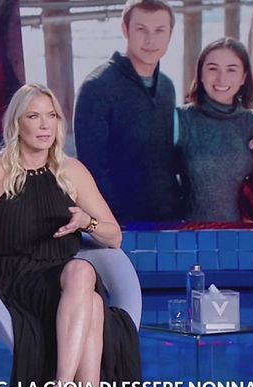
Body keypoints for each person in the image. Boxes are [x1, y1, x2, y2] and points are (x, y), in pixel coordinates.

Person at [0, 84, 140, 387]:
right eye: (34, 116)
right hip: (19, 281)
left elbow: (114, 236)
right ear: (17, 124)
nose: (44, 125)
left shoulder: (72, 171)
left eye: (51, 116)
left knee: (84, 280)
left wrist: (87, 222)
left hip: (68, 280)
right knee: (91, 299)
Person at [74, 0, 183, 223]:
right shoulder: (97, 87)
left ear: (170, 34)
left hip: (168, 218)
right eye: (141, 29)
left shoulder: (167, 87)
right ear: (125, 29)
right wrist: (119, 220)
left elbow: (166, 158)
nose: (150, 40)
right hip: (121, 223)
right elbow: (92, 168)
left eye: (159, 30)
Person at [176, 37, 253, 222]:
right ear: (200, 74)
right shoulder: (179, 120)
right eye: (212, 68)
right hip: (192, 233)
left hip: (246, 234)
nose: (221, 78)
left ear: (243, 77)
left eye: (231, 69)